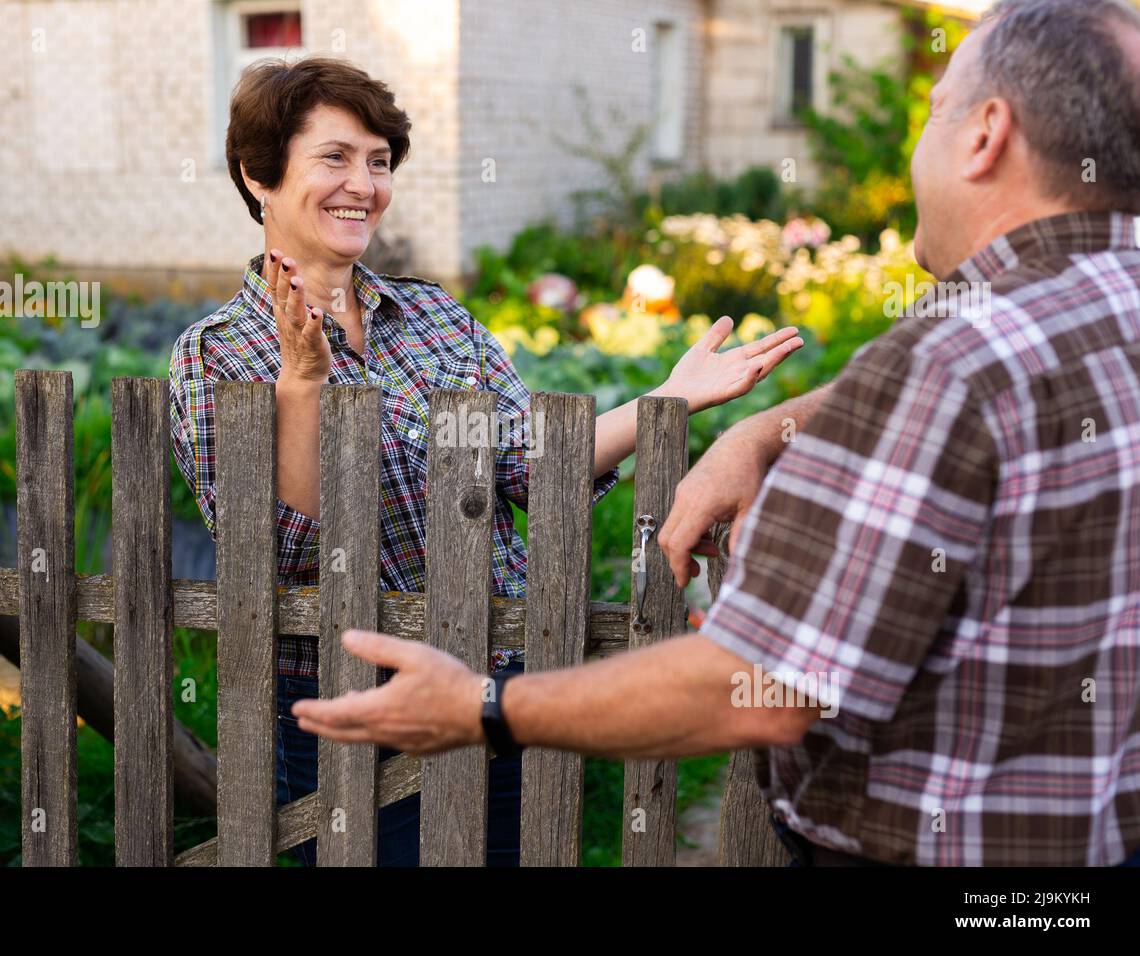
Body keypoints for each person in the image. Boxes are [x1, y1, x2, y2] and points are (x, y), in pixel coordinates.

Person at [293, 0, 1140, 866]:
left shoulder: (950, 363)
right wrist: (763, 433)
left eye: (932, 114)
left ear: (985, 135)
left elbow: (762, 688)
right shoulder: (1083, 313)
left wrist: (485, 707)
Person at [167, 55, 803, 866]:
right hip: (352, 697)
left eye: (379, 162)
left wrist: (665, 401)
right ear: (259, 176)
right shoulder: (215, 354)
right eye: (335, 157)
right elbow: (278, 553)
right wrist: (301, 385)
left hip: (497, 683)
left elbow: (526, 466)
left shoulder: (435, 317)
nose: (363, 184)